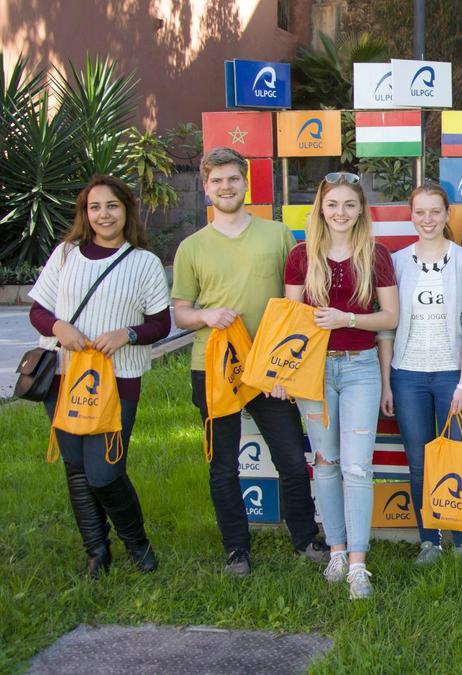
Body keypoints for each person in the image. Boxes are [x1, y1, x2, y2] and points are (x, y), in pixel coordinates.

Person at [173, 147, 328, 575]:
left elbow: (296, 302)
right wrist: (204, 315)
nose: (226, 187)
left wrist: (286, 368)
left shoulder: (277, 235)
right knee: (223, 465)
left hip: (271, 368)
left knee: (294, 461)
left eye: (233, 179)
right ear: (206, 188)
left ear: (247, 183)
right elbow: (180, 310)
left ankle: (304, 539)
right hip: (214, 367)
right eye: (217, 181)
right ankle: (236, 549)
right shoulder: (192, 247)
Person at [29, 175, 171, 578]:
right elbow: (38, 309)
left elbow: (160, 324)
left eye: (111, 206)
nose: (103, 214)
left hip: (118, 380)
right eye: (94, 207)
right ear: (85, 213)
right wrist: (59, 328)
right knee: (75, 467)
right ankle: (96, 551)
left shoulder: (143, 262)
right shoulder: (65, 254)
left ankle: (137, 543)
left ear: (126, 210)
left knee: (105, 470)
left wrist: (127, 334)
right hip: (64, 377)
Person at [283, 172, 398, 598]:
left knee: (356, 466)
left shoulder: (377, 255)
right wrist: (284, 373)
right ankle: (335, 549)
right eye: (333, 205)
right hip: (313, 371)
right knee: (326, 462)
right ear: (321, 208)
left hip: (360, 368)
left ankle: (358, 565)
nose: (341, 213)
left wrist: (347, 319)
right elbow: (289, 321)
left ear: (361, 210)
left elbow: (390, 317)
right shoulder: (301, 256)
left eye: (350, 205)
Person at [380, 182, 462, 565]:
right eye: (420, 212)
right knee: (419, 460)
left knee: (457, 458)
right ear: (411, 215)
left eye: (435, 212)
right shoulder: (396, 261)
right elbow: (387, 328)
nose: (427, 219)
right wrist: (388, 381)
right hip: (407, 375)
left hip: (450, 376)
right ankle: (429, 540)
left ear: (446, 215)